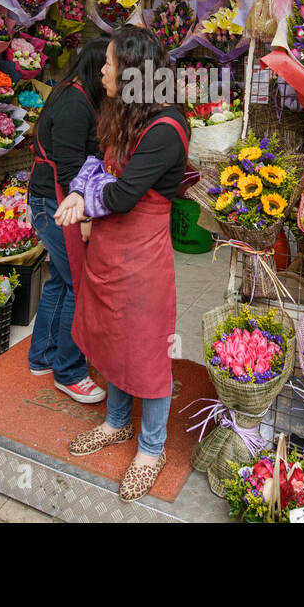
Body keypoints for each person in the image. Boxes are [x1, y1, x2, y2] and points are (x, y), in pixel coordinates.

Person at [55, 25, 190, 502]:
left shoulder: (166, 128)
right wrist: (79, 189)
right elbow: (99, 164)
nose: (104, 70)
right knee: (113, 340)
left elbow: (126, 193)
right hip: (109, 251)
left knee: (147, 350)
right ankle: (115, 423)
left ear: (134, 72)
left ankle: (151, 449)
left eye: (110, 63)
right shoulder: (124, 114)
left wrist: (83, 197)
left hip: (142, 259)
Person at [27, 38, 109, 403]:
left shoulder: (73, 93)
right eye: (107, 65)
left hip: (50, 199)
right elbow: (71, 170)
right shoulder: (76, 104)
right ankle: (69, 372)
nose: (110, 72)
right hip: (54, 202)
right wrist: (85, 215)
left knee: (59, 281)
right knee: (78, 283)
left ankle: (42, 356)